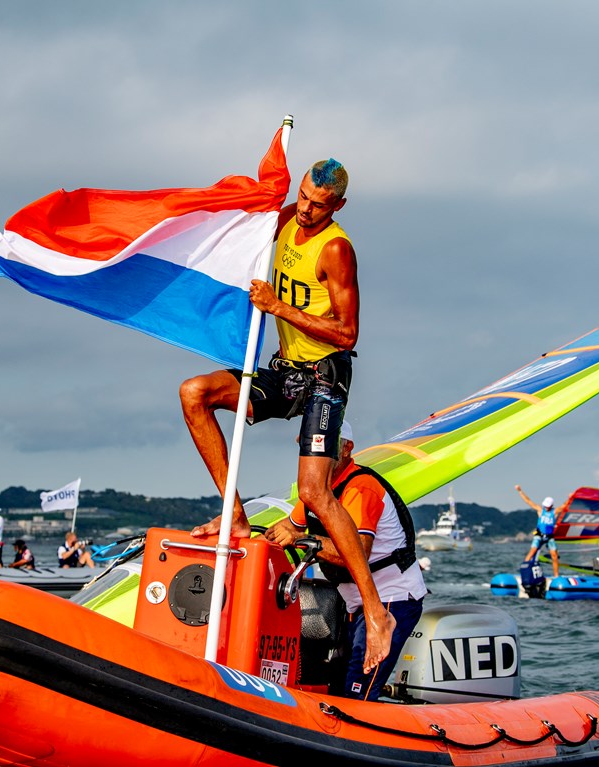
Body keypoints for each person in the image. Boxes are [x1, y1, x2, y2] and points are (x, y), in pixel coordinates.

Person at [179, 158, 394, 673]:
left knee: (315, 491)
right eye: (302, 197)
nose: (305, 210)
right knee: (195, 394)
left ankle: (376, 609)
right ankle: (234, 513)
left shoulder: (336, 248)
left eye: (319, 205)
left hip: (325, 375)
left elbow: (348, 334)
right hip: (285, 370)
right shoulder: (282, 221)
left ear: (338, 206)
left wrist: (279, 309)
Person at [265, 421, 425, 701]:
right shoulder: (316, 491)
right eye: (309, 448)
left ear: (347, 449)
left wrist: (303, 540)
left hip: (391, 601)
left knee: (358, 691)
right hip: (353, 604)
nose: (315, 456)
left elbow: (354, 553)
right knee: (336, 687)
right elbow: (284, 529)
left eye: (325, 447)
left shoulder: (361, 489)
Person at [515, 485, 560, 576]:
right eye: (545, 505)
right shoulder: (540, 510)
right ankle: (524, 573)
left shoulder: (555, 512)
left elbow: (565, 506)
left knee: (554, 556)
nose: (546, 507)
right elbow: (528, 501)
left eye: (548, 506)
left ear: (551, 505)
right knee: (532, 552)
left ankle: (556, 576)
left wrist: (571, 497)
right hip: (539, 535)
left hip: (550, 537)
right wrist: (520, 491)